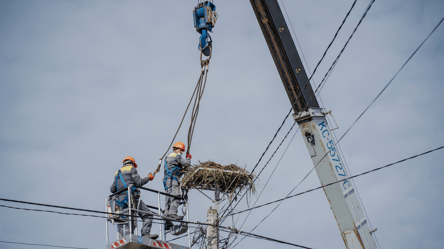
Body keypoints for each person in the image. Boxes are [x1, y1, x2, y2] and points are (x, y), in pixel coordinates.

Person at [110, 156, 158, 239]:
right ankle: (145, 234)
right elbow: (139, 182)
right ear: (132, 164)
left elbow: (112, 189)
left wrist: (122, 189)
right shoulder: (131, 169)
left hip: (121, 201)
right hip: (131, 198)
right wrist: (148, 178)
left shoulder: (117, 173)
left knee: (129, 219)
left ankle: (128, 237)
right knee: (148, 214)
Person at [163, 142, 191, 220]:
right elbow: (187, 164)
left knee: (169, 196)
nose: (182, 152)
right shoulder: (177, 156)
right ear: (177, 149)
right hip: (173, 179)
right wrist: (188, 158)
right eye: (181, 150)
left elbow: (176, 169)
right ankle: (172, 213)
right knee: (176, 196)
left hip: (167, 180)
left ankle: (166, 214)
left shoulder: (168, 156)